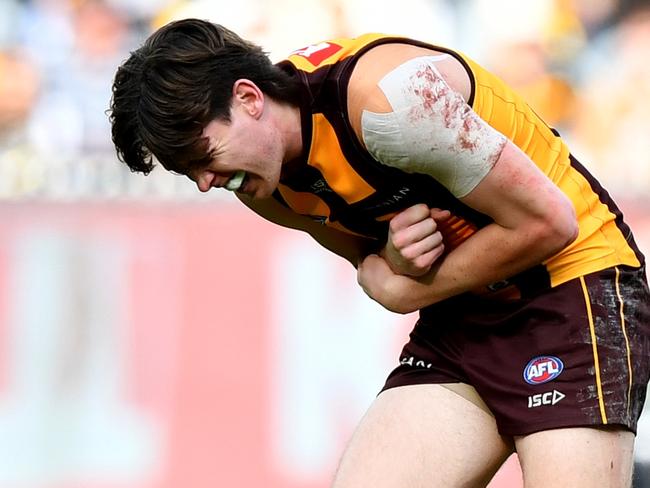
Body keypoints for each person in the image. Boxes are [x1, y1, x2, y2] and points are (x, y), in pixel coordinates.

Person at [109, 18, 650, 487]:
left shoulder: (389, 100)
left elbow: (550, 223)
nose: (205, 182)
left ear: (248, 98)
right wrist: (394, 262)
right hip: (463, 322)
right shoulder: (262, 183)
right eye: (187, 172)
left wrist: (400, 287)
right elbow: (377, 263)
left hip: (575, 291)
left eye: (203, 155)